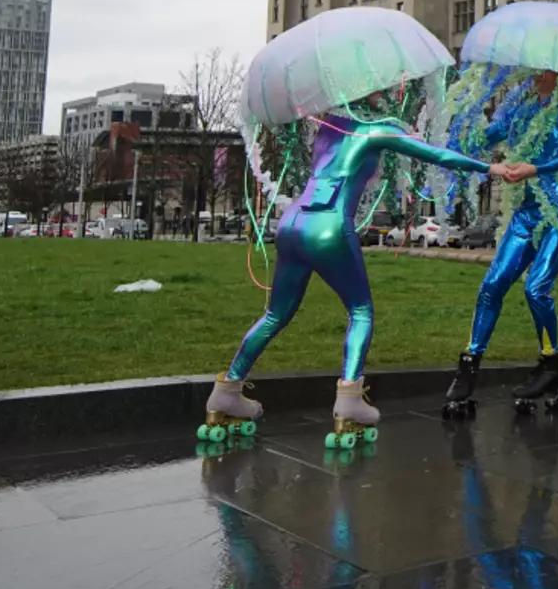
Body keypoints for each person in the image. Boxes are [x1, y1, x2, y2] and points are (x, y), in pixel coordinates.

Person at [213, 97, 511, 447]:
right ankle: (349, 399)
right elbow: (437, 155)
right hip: (329, 224)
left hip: (292, 221)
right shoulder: (375, 130)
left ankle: (227, 391)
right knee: (360, 310)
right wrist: (492, 170)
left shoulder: (327, 127)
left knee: (276, 314)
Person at [443, 70, 558, 416]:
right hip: (528, 211)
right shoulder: (524, 110)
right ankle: (468, 366)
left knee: (536, 288)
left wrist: (533, 168)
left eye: (543, 70)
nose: (534, 76)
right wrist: (462, 130)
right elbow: (490, 136)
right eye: (533, 69)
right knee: (492, 285)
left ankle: (549, 364)